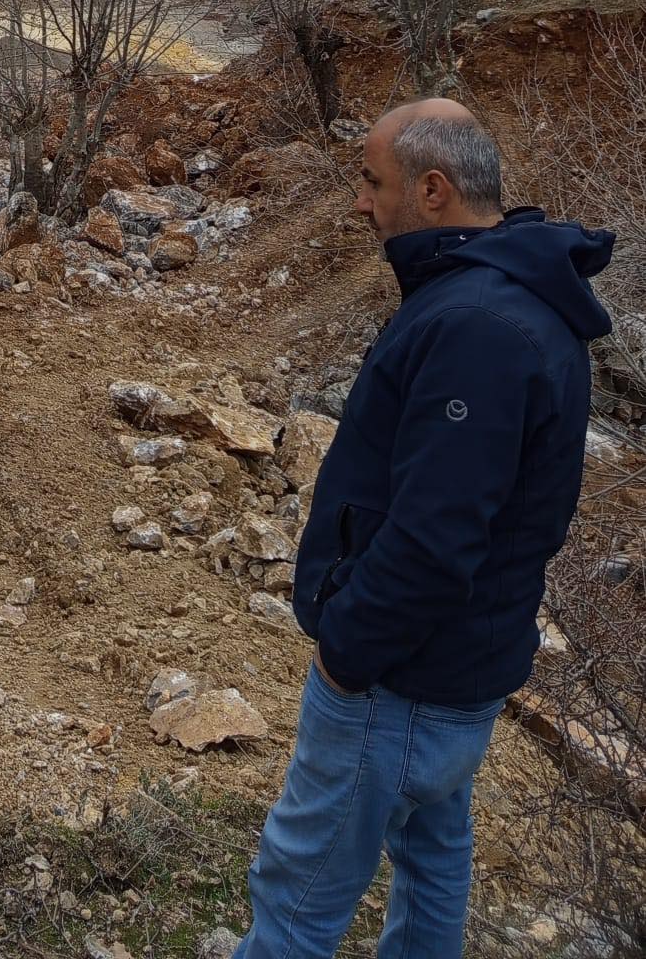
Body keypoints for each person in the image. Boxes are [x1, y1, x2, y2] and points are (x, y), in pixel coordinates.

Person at [234, 98, 613, 959]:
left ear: (433, 190)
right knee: (435, 857)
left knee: (297, 895)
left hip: (398, 682)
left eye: (373, 183)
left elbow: (435, 539)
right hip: (463, 670)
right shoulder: (507, 295)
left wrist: (346, 653)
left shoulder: (478, 324)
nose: (360, 202)